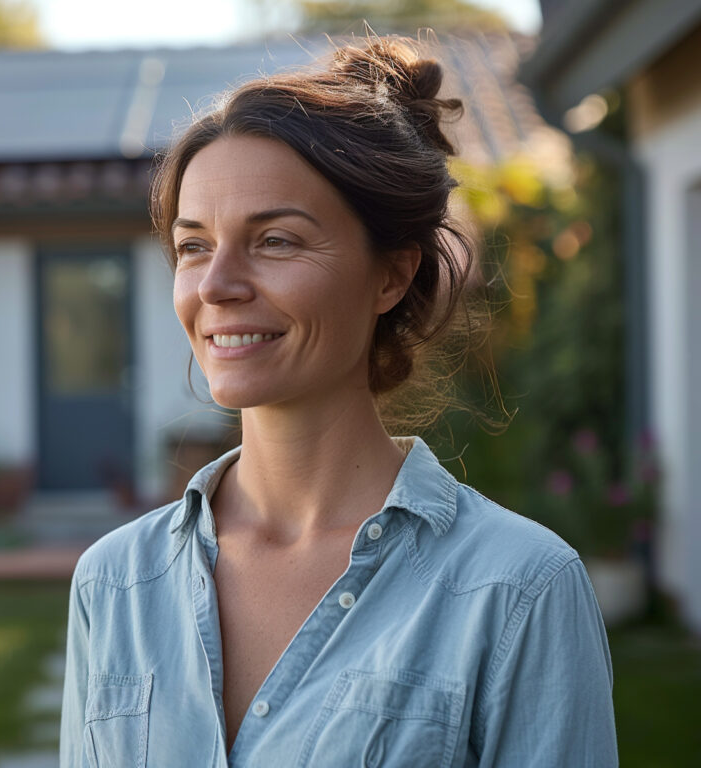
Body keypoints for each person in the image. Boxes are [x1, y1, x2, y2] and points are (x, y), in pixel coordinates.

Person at [60, 36, 618, 768]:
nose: (217, 285)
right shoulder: (114, 582)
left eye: (276, 241)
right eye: (195, 247)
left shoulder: (517, 589)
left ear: (390, 277)